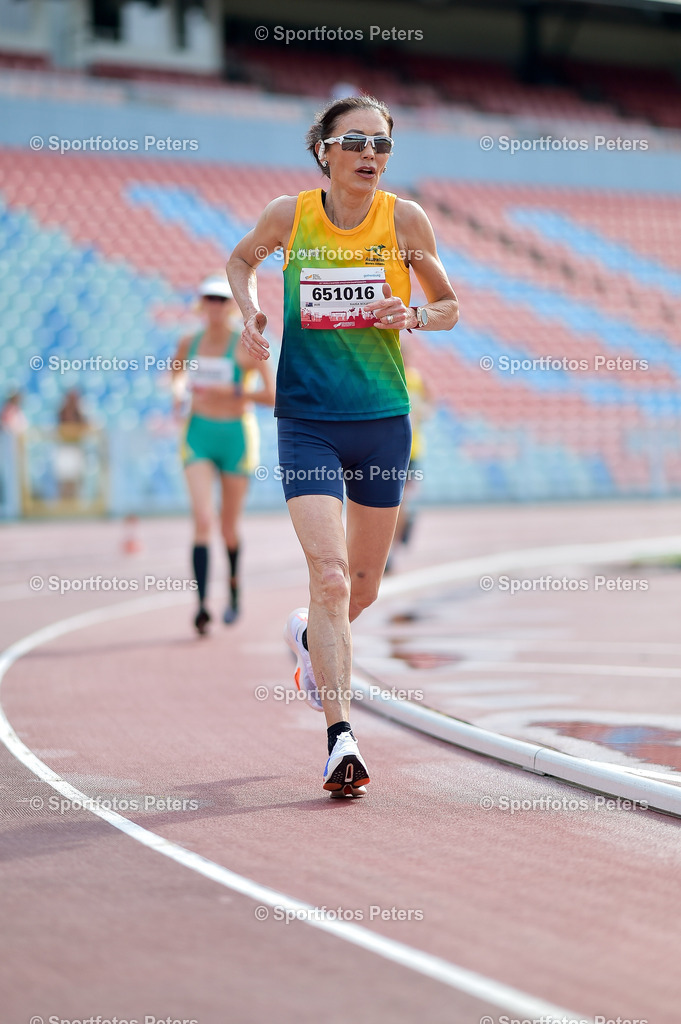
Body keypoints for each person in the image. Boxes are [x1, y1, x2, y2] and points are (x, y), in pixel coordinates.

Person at [227, 95, 458, 797]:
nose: (369, 154)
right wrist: (251, 313)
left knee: (360, 588)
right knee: (328, 578)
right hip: (308, 421)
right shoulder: (289, 216)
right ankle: (340, 740)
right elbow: (240, 261)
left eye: (381, 144)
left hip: (383, 420)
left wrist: (410, 314)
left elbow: (448, 307)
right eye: (355, 141)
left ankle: (308, 639)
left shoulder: (405, 220)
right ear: (323, 150)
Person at [172, 273, 275, 635]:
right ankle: (201, 606)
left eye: (221, 300)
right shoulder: (189, 342)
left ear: (231, 305)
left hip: (236, 438)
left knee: (228, 526)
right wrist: (178, 393)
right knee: (203, 519)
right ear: (202, 304)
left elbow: (272, 394)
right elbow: (176, 375)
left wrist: (235, 393)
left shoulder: (246, 346)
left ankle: (233, 589)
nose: (214, 306)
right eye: (209, 299)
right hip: (198, 434)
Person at [385, 342, 432, 572]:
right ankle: (389, 551)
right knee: (397, 502)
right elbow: (429, 407)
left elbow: (429, 406)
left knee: (396, 502)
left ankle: (389, 552)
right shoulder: (414, 378)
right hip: (403, 449)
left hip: (405, 450)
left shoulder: (399, 377)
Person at [54, 388, 89, 501]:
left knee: (76, 480)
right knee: (64, 480)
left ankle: (75, 503)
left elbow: (85, 425)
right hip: (65, 448)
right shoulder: (63, 410)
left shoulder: (80, 411)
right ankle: (64, 502)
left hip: (76, 448)